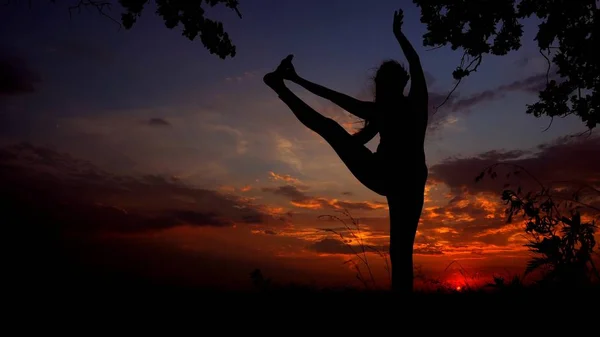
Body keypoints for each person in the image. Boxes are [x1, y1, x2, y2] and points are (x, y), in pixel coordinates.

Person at [263, 9, 428, 291]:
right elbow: (337, 99)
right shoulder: (392, 110)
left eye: (383, 84)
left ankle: (280, 85)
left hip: (397, 180)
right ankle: (280, 85)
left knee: (400, 253)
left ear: (394, 85)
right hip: (392, 177)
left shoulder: (409, 105)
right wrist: (296, 80)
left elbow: (414, 62)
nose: (381, 89)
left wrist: (399, 35)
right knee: (400, 253)